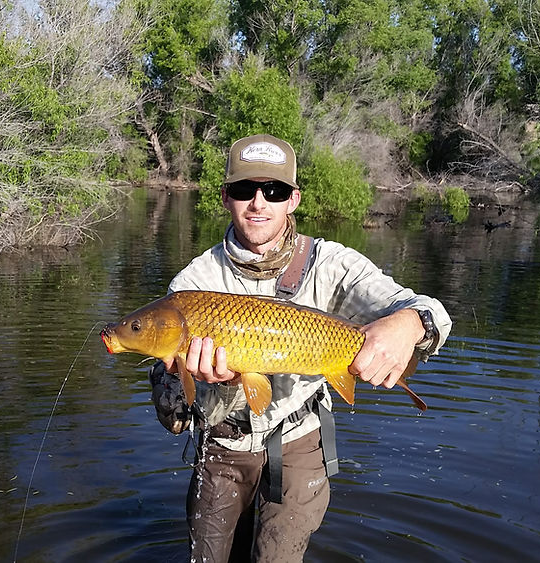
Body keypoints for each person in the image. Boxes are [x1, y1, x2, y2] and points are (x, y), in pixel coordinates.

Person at [149, 133, 452, 562]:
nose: (258, 202)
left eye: (273, 190)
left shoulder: (332, 264)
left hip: (299, 442)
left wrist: (407, 325)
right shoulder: (192, 285)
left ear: (293, 199)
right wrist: (191, 385)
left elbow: (429, 311)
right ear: (225, 198)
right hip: (222, 446)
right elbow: (175, 411)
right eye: (243, 190)